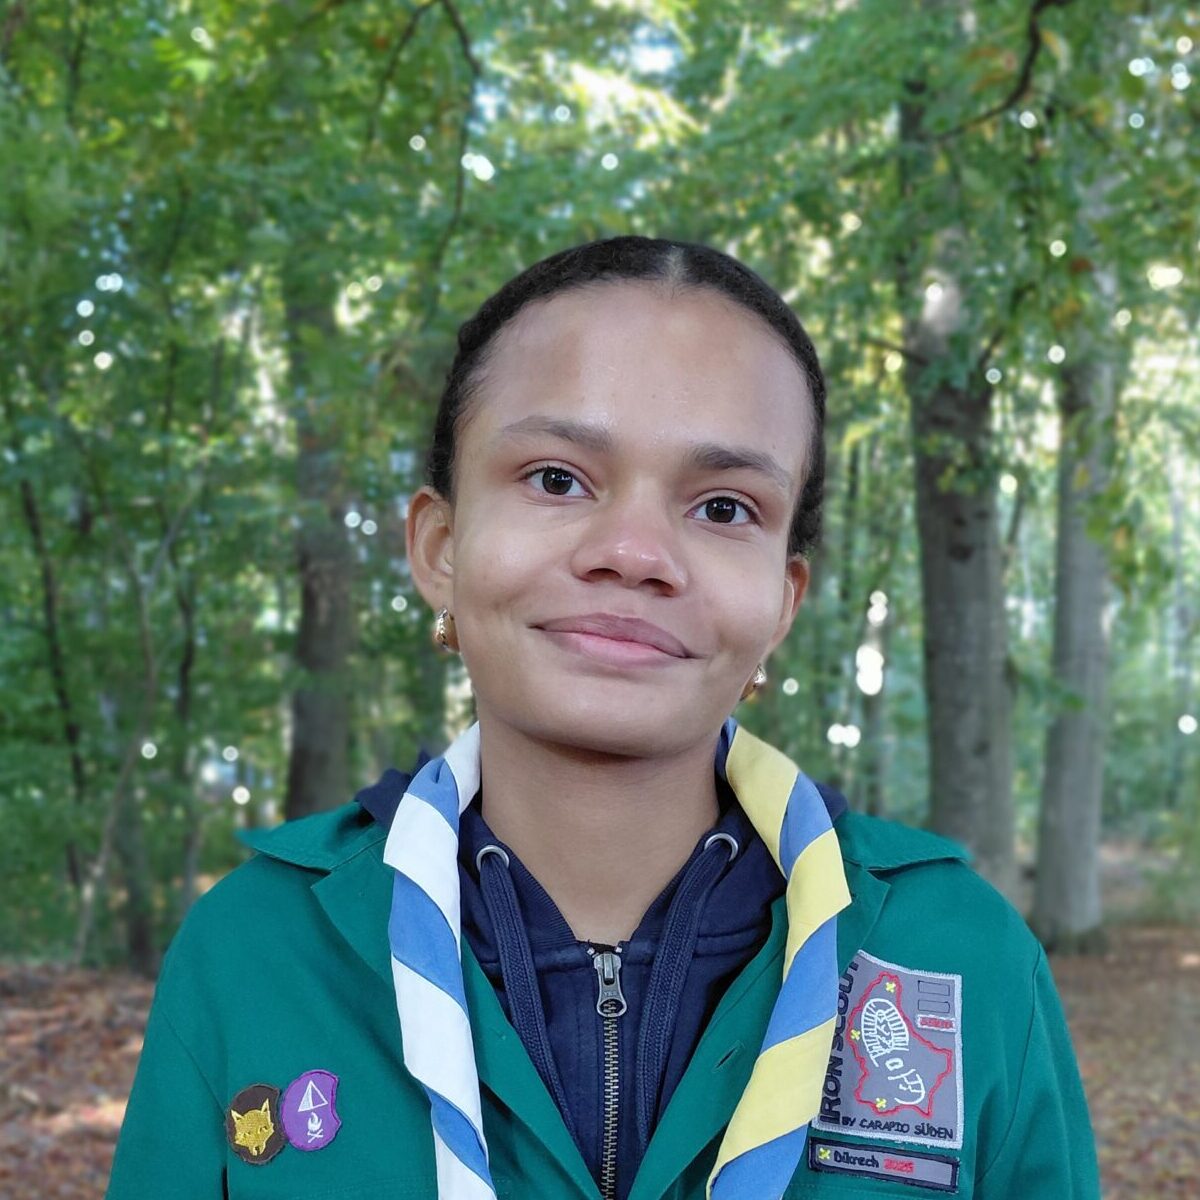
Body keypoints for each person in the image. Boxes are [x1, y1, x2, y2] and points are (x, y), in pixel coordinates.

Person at [107, 236, 1099, 1200]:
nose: (633, 552)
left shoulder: (961, 955)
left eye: (723, 508)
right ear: (440, 547)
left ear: (783, 602)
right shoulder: (255, 952)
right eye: (557, 479)